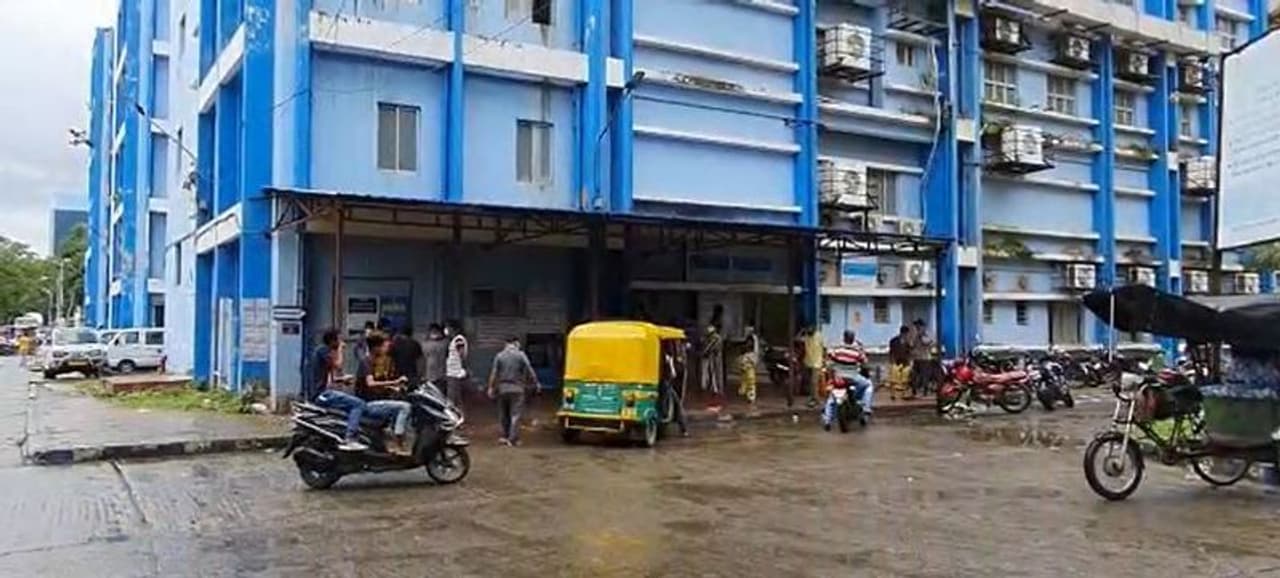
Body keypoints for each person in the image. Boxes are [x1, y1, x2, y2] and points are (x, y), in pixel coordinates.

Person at [355, 333, 413, 456]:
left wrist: (394, 388)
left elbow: (378, 384)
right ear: (376, 348)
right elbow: (371, 384)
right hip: (368, 404)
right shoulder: (366, 362)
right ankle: (398, 443)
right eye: (384, 346)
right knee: (405, 407)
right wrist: (395, 382)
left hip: (377, 401)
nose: (386, 348)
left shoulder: (377, 362)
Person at [311, 329, 369, 451]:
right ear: (332, 341)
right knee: (358, 404)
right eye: (339, 339)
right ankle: (350, 438)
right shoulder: (323, 350)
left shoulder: (322, 351)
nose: (341, 342)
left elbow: (328, 377)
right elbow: (338, 365)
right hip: (322, 394)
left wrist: (342, 380)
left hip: (324, 391)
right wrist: (340, 349)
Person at [486, 336, 540, 446]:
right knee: (515, 414)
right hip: (517, 389)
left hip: (502, 389)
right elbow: (529, 369)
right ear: (515, 343)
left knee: (503, 414)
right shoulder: (521, 355)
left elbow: (494, 373)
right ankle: (512, 439)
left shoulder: (500, 356)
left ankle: (505, 436)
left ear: (506, 344)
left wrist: (491, 387)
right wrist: (536, 383)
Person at [822, 330, 874, 429]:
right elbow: (865, 363)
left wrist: (833, 371)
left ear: (844, 338)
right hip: (853, 377)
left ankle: (827, 420)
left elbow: (829, 362)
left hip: (839, 378)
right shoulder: (857, 351)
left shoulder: (837, 350)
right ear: (853, 339)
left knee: (831, 398)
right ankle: (866, 407)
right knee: (868, 385)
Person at [659, 342, 689, 437]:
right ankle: (683, 428)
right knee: (675, 402)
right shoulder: (666, 356)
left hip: (664, 380)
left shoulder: (667, 356)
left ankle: (681, 427)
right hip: (664, 380)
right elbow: (673, 372)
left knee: (672, 401)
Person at [444, 320, 470, 408]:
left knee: (453, 397)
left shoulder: (459, 339)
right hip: (452, 372)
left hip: (455, 372)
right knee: (454, 397)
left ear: (453, 329)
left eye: (448, 327)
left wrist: (463, 369)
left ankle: (456, 413)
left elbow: (461, 355)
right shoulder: (454, 340)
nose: (446, 330)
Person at [700, 324, 725, 410]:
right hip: (711, 359)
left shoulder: (716, 339)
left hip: (715, 360)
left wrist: (705, 352)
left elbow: (711, 348)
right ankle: (714, 390)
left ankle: (717, 392)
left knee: (716, 376)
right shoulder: (710, 339)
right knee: (711, 375)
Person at [909, 319, 934, 398]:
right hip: (917, 358)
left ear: (923, 326)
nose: (917, 328)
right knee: (914, 375)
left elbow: (927, 342)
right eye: (916, 326)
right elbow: (911, 344)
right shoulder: (915, 335)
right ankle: (914, 391)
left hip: (925, 358)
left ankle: (924, 392)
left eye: (918, 326)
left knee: (924, 376)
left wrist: (921, 335)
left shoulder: (927, 334)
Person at [736, 326, 761, 407]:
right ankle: (744, 392)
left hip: (750, 360)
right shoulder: (749, 338)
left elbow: (753, 349)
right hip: (747, 361)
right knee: (744, 378)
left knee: (750, 379)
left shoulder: (752, 339)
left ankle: (750, 396)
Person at [888, 325, 913, 401]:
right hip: (896, 360)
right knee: (893, 379)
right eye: (906, 334)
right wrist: (891, 361)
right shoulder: (894, 341)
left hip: (905, 361)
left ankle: (903, 394)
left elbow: (909, 352)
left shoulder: (907, 342)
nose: (907, 335)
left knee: (905, 379)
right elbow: (891, 351)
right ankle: (892, 394)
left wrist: (909, 361)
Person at [803, 326, 825, 408]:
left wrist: (824, 360)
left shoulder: (818, 336)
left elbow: (823, 348)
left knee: (814, 382)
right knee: (810, 382)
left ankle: (815, 400)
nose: (808, 332)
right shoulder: (806, 336)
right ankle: (813, 399)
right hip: (808, 362)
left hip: (817, 363)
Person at [422, 323, 448, 392]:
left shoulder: (426, 343)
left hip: (437, 372)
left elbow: (424, 356)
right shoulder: (445, 342)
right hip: (437, 372)